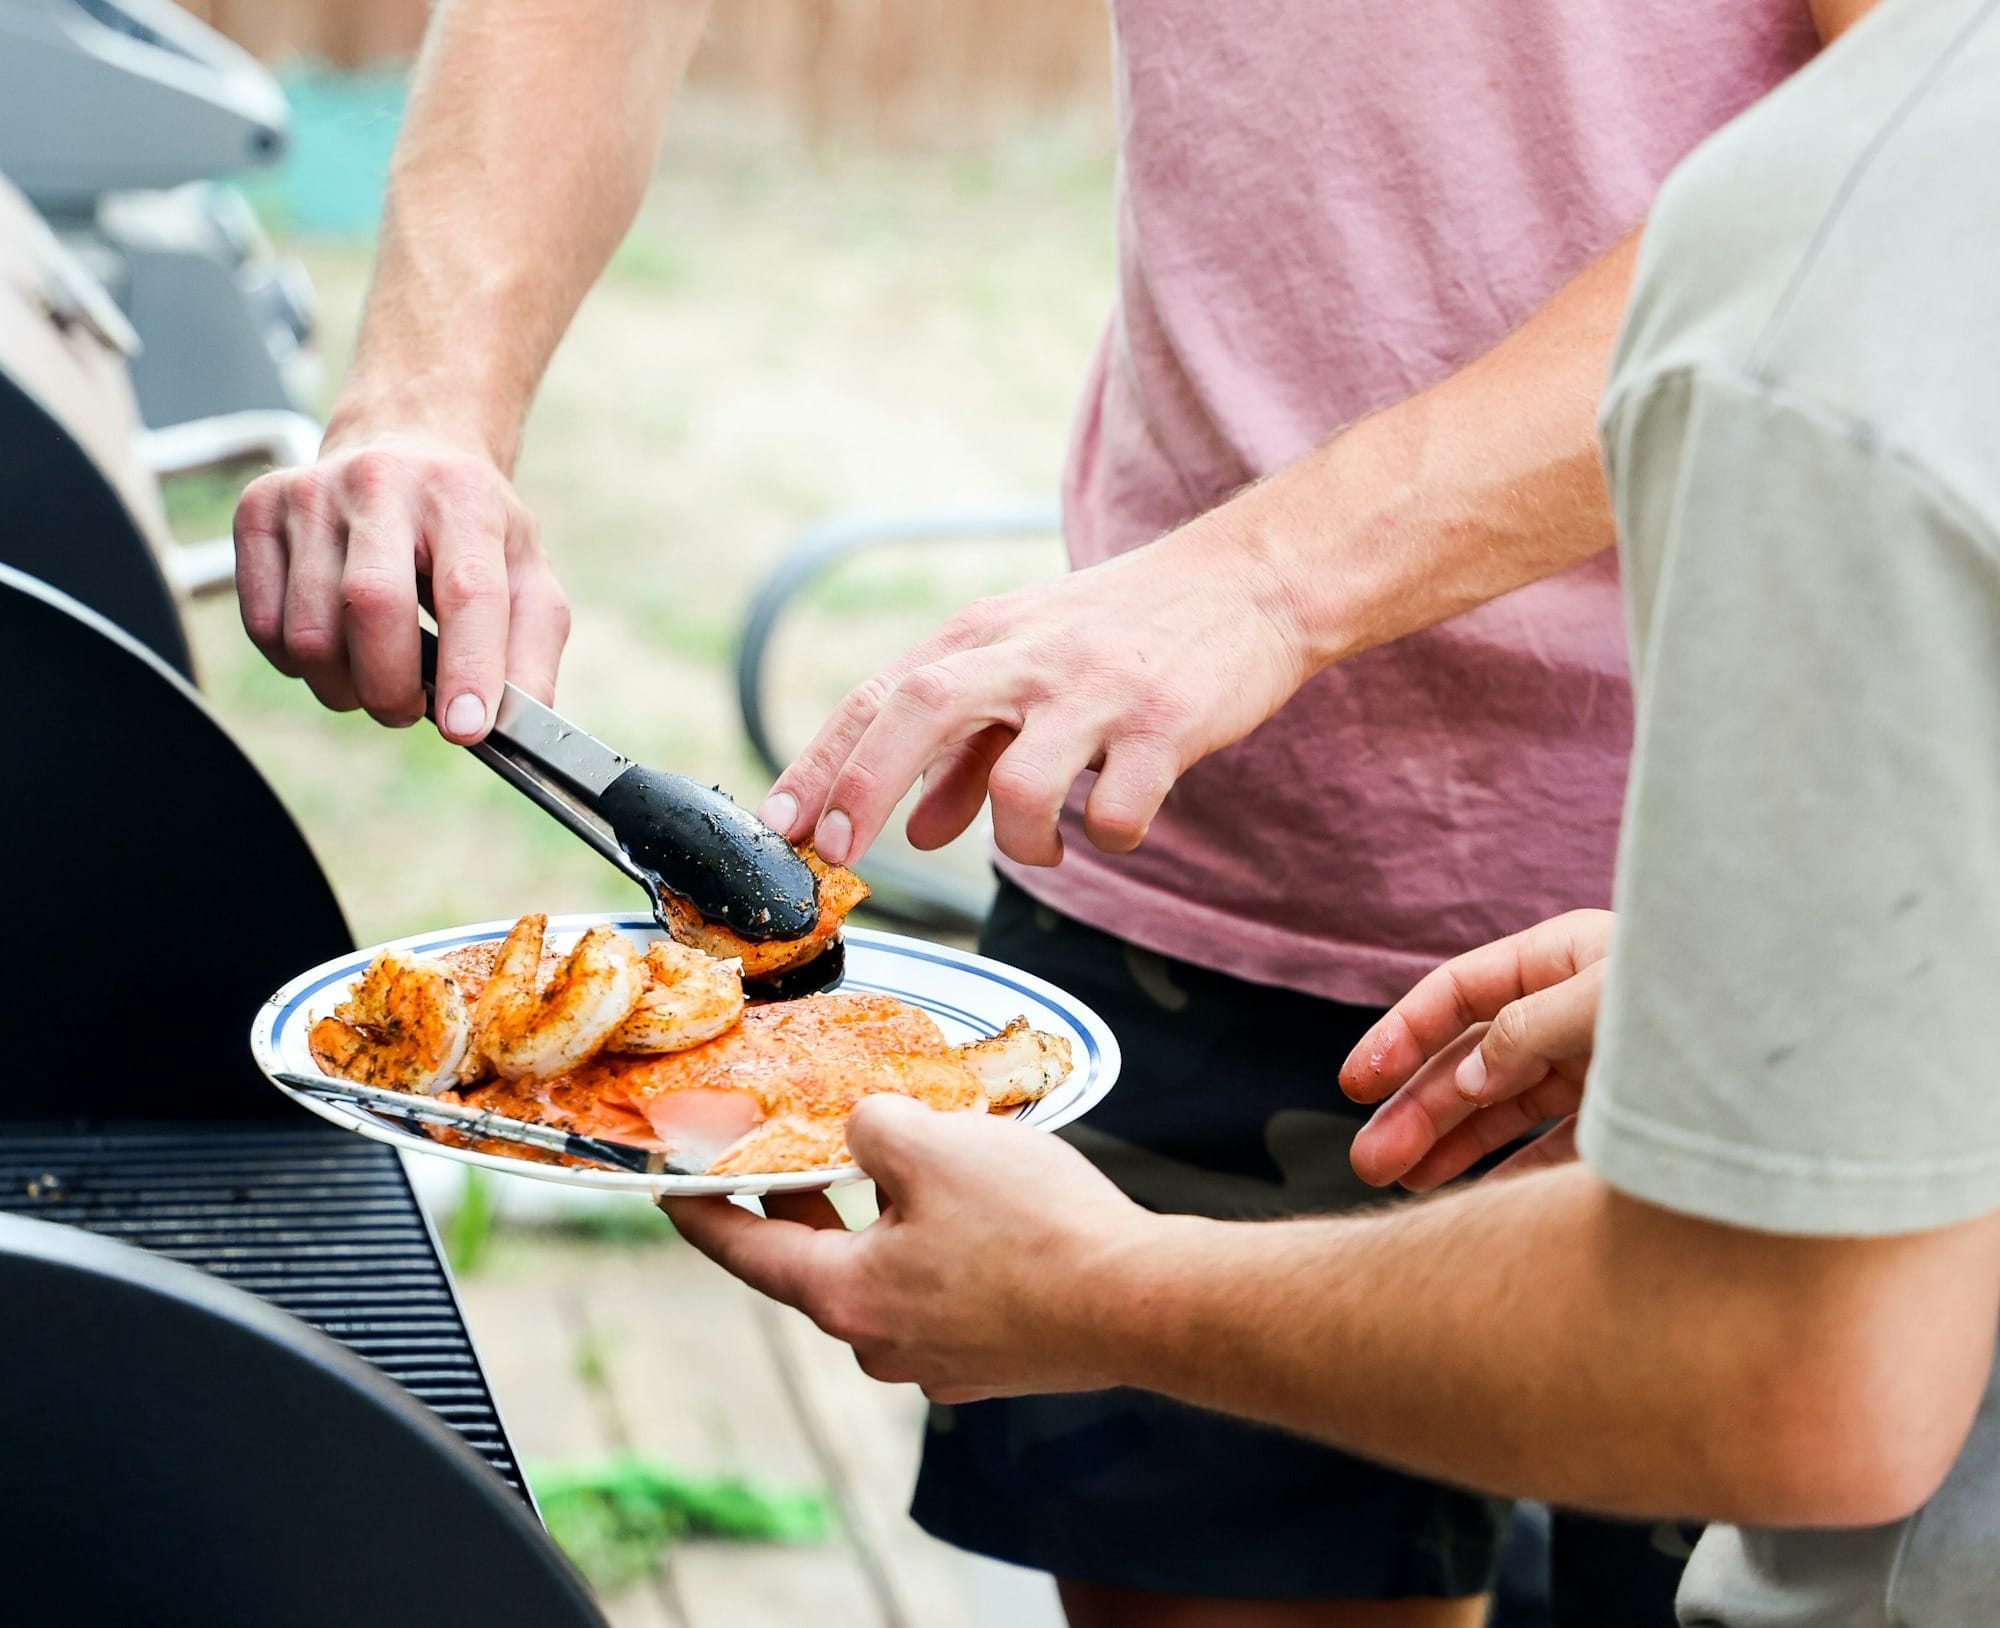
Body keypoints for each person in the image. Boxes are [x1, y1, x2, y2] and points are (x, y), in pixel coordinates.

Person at [233, 1, 1865, 1622]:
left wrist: (1273, 579)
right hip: (1201, 854)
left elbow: (1907, 144)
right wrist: (426, 403)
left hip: (1786, 913)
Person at [664, 1, 2000, 1621]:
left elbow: (1802, 1372)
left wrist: (1117, 1291)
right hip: (1346, 916)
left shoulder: (1842, 286)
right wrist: (1782, 977)